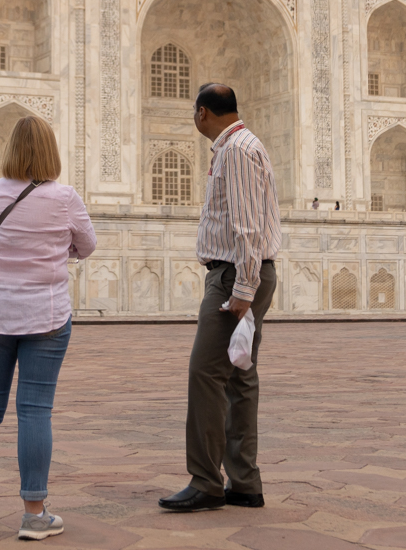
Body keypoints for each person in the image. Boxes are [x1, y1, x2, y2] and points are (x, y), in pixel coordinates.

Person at [0, 116, 96, 540]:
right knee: (34, 411)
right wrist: (55, 247)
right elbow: (87, 246)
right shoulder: (64, 198)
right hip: (45, 314)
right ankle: (34, 514)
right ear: (51, 151)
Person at [159, 83, 281, 513]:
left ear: (203, 113)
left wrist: (243, 288)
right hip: (242, 274)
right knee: (239, 376)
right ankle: (245, 482)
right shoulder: (241, 146)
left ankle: (207, 481)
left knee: (206, 375)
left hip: (235, 277)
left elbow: (247, 225)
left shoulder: (236, 150)